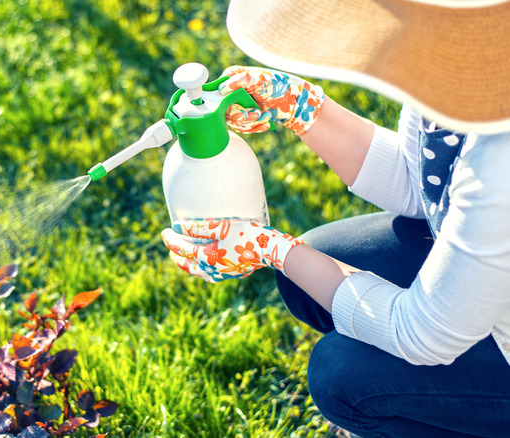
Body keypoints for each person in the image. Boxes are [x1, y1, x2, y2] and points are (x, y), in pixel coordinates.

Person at [161, 0, 510, 436]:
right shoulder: (464, 64)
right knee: (316, 265)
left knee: (342, 375)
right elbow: (420, 181)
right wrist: (302, 107)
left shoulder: (501, 156)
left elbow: (425, 335)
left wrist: (273, 248)